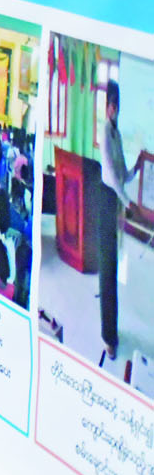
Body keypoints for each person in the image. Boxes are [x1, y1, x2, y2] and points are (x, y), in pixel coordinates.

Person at [96, 80, 136, 359]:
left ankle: (113, 331)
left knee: (112, 270)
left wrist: (137, 169)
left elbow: (121, 173)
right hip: (106, 201)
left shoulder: (116, 132)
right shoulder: (104, 132)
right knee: (107, 273)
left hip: (115, 202)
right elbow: (110, 176)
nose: (114, 109)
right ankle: (108, 338)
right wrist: (128, 203)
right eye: (111, 104)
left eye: (116, 105)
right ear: (106, 106)